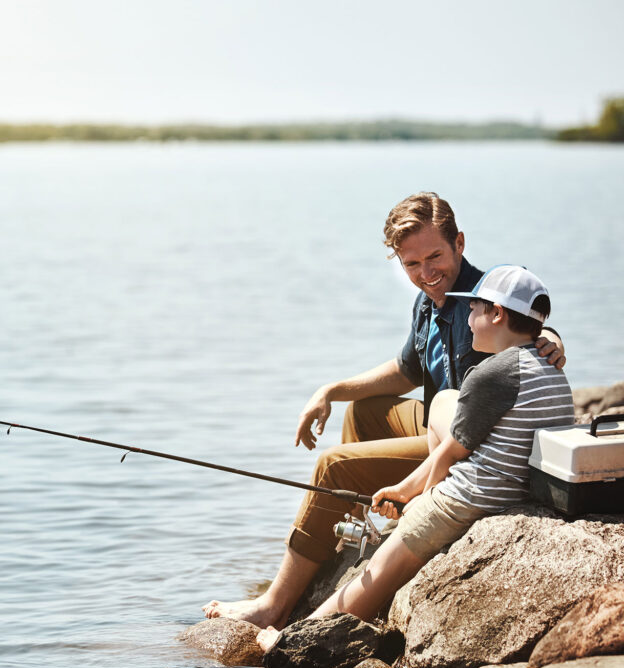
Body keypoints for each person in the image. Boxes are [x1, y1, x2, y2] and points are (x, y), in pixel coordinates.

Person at [202, 193, 566, 629]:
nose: (427, 274)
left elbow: (527, 331)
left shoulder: (484, 298)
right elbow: (406, 370)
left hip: (470, 446)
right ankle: (352, 538)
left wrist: (555, 339)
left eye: (435, 256)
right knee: (363, 411)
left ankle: (274, 605)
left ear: (460, 244)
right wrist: (331, 390)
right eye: (412, 264)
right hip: (441, 422)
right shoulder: (427, 303)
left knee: (334, 466)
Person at [253, 264, 575, 649]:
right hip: (514, 486)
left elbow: (450, 455)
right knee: (440, 400)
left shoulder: (491, 373)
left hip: (470, 497)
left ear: (498, 314)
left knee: (378, 572)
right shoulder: (551, 370)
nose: (469, 320)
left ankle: (294, 641)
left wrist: (411, 493)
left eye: (473, 310)